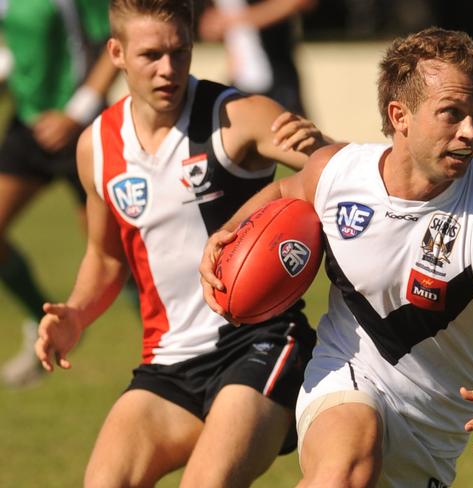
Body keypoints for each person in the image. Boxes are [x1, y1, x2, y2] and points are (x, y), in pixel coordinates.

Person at [200, 26, 473, 487]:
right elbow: (284, 190)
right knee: (344, 467)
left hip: (430, 439)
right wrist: (226, 235)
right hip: (344, 378)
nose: (470, 131)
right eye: (451, 114)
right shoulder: (336, 173)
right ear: (400, 116)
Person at [34, 0, 331, 486]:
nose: (168, 69)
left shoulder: (237, 115)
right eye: (151, 55)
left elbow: (338, 170)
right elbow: (105, 257)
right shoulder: (98, 147)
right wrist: (76, 314)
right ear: (116, 53)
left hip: (261, 343)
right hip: (168, 362)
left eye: (181, 51)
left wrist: (322, 146)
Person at [0, 0, 118, 387]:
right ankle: (45, 321)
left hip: (82, 128)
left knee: (116, 252)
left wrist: (76, 112)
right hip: (28, 125)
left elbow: (114, 41)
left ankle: (178, 351)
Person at [197, 0, 317, 115]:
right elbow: (211, 26)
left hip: (278, 79)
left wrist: (241, 19)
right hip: (239, 82)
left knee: (294, 132)